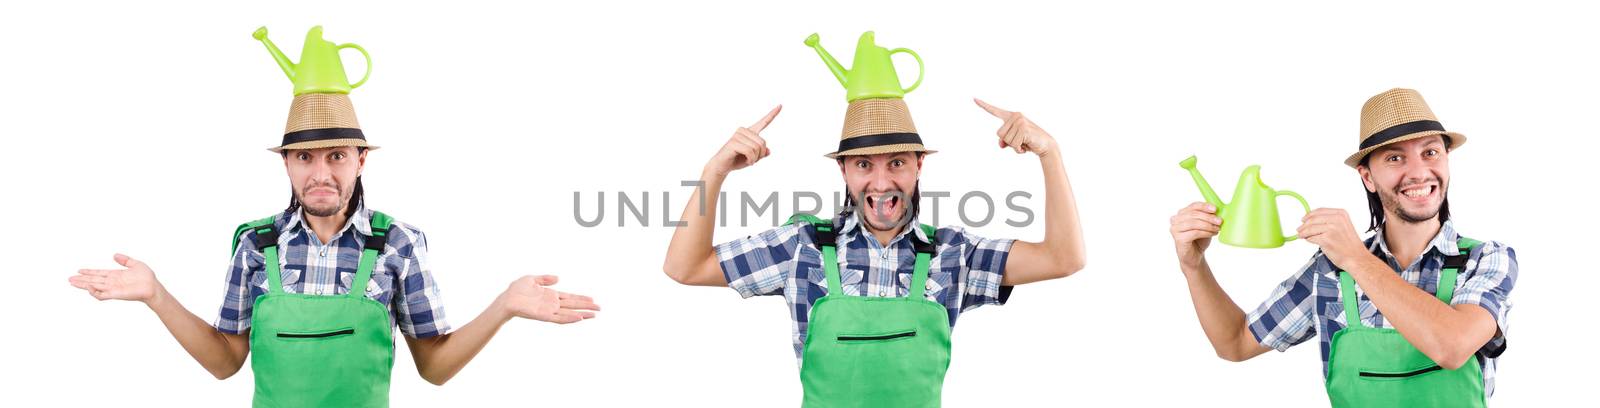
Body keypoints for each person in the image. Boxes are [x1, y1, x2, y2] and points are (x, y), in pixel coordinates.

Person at [1168, 88, 1517, 407]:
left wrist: (1356, 258)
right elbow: (1234, 342)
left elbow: (1452, 347)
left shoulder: (1485, 259)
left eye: (1430, 152)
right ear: (1367, 176)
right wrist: (1194, 266)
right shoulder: (1330, 271)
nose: (1418, 171)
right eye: (1395, 159)